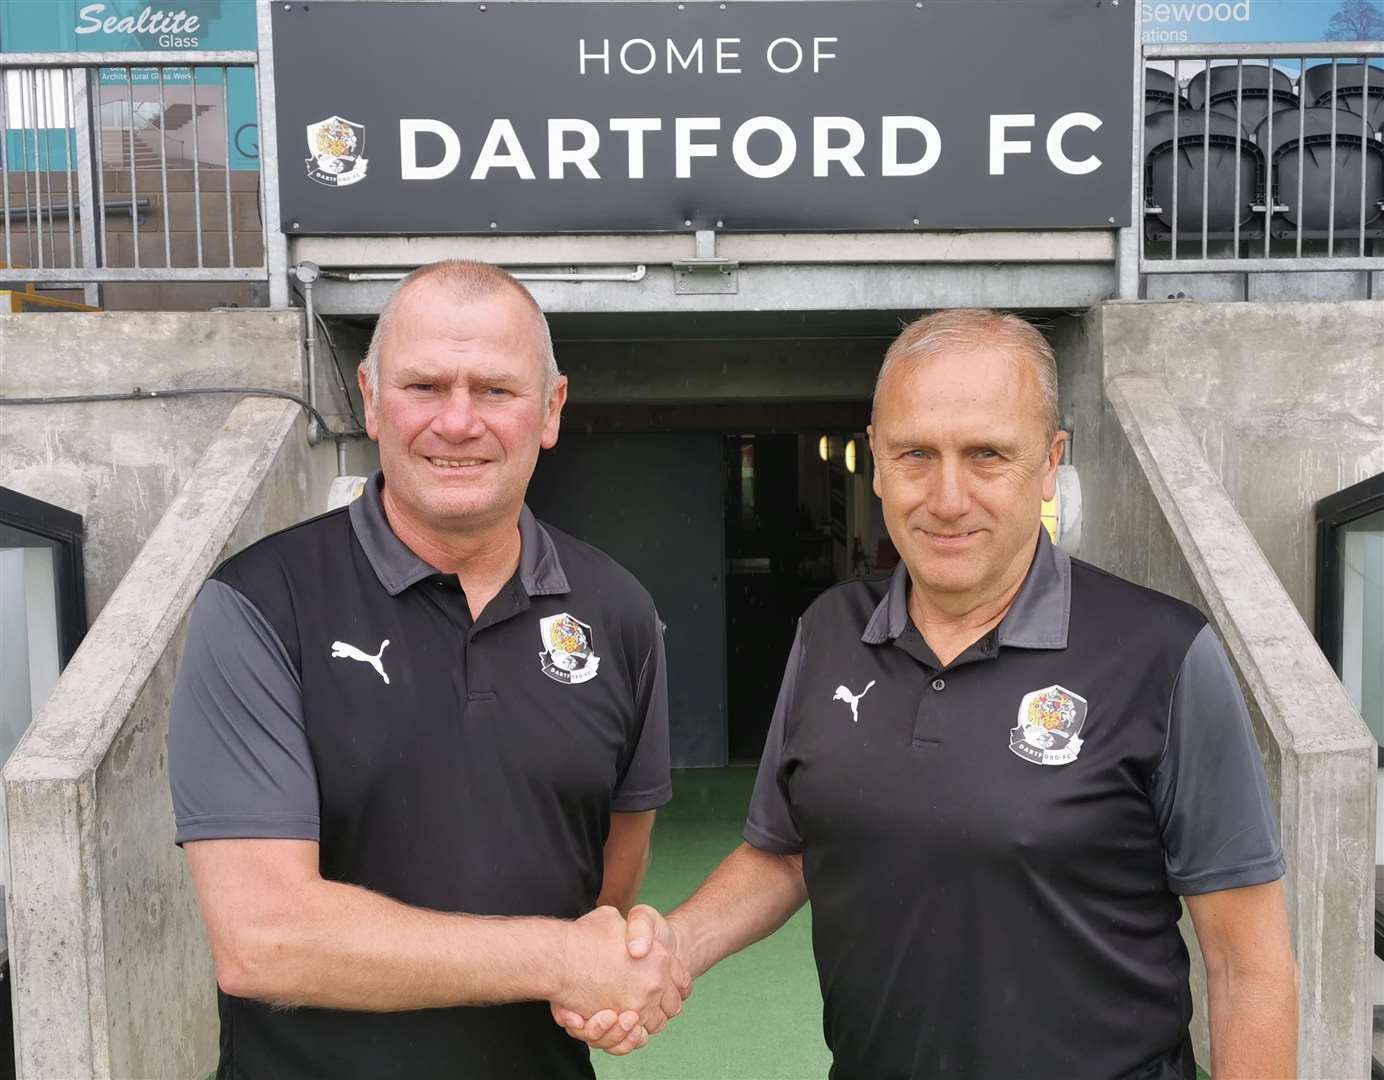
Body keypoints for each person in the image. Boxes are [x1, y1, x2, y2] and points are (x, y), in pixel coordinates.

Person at [557, 309, 1298, 1079]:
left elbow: (1249, 967)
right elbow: (788, 854)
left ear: (1049, 463)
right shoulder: (828, 630)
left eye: (987, 455)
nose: (947, 498)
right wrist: (674, 946)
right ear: (876, 461)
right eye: (916, 454)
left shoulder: (1165, 654)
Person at [168, 260, 688, 1080]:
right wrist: (557, 957)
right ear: (372, 400)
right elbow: (263, 939)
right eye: (424, 386)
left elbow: (611, 878)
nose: (457, 421)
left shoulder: (618, 612)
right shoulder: (260, 607)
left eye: (495, 390)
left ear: (550, 410)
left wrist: (602, 969)